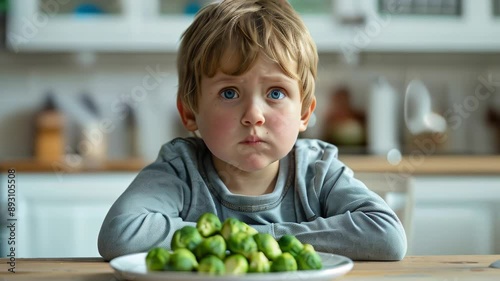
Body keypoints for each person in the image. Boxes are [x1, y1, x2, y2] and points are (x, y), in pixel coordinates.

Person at [98, 0, 407, 261]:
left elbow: (387, 236)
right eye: (229, 93)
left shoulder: (317, 170)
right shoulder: (181, 169)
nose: (253, 116)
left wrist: (257, 238)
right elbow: (120, 234)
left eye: (275, 93)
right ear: (190, 113)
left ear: (304, 112)